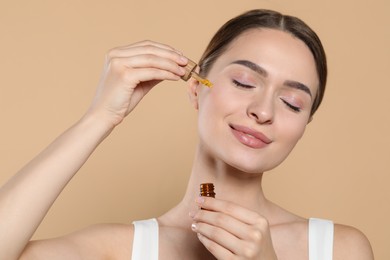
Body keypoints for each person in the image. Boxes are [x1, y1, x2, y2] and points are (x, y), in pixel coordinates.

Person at [0, 9, 374, 260]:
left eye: (292, 103)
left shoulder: (338, 248)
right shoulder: (117, 249)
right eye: (244, 82)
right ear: (197, 87)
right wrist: (100, 117)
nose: (264, 111)